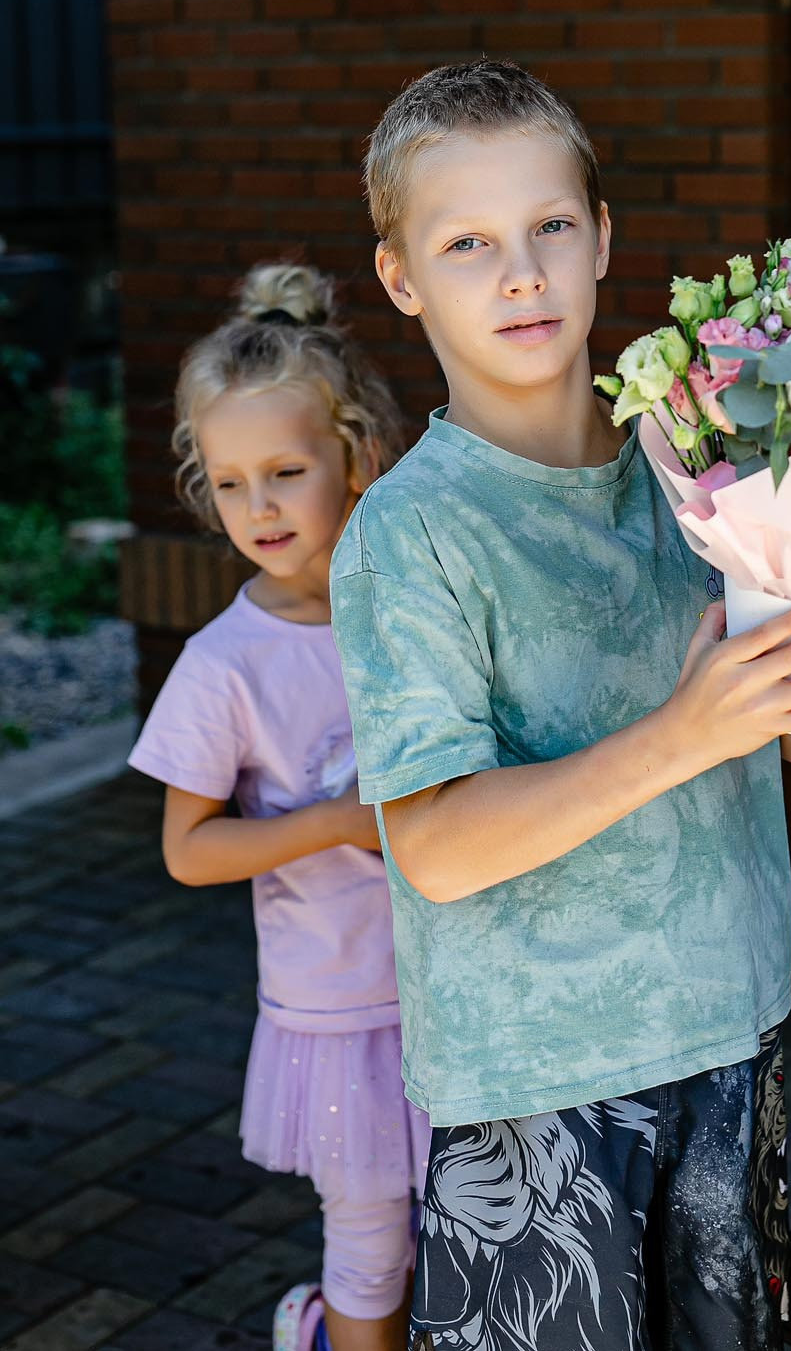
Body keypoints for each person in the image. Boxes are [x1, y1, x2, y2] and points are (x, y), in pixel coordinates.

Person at [330, 61, 791, 1351]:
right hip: (539, 1087)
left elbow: (776, 738)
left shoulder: (706, 471)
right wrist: (677, 732)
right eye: (468, 243)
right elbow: (435, 846)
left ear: (603, 236)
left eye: (551, 225)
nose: (521, 272)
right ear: (400, 277)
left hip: (727, 1034)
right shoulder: (412, 534)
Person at [128, 263, 429, 1351]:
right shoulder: (224, 666)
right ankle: (330, 1329)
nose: (256, 506)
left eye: (286, 471)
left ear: (356, 453)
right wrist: (342, 821)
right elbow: (189, 848)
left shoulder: (414, 607)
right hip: (338, 1005)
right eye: (229, 479)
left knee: (470, 1222)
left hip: (459, 984)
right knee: (369, 1233)